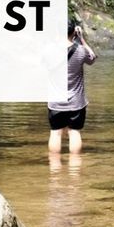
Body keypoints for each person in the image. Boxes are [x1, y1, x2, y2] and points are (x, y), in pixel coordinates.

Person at [47, 19, 96, 162]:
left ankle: (54, 171)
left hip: (56, 102)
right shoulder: (80, 50)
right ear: (74, 31)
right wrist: (82, 39)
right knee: (74, 133)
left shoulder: (49, 50)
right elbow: (92, 58)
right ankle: (74, 173)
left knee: (55, 133)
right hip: (76, 102)